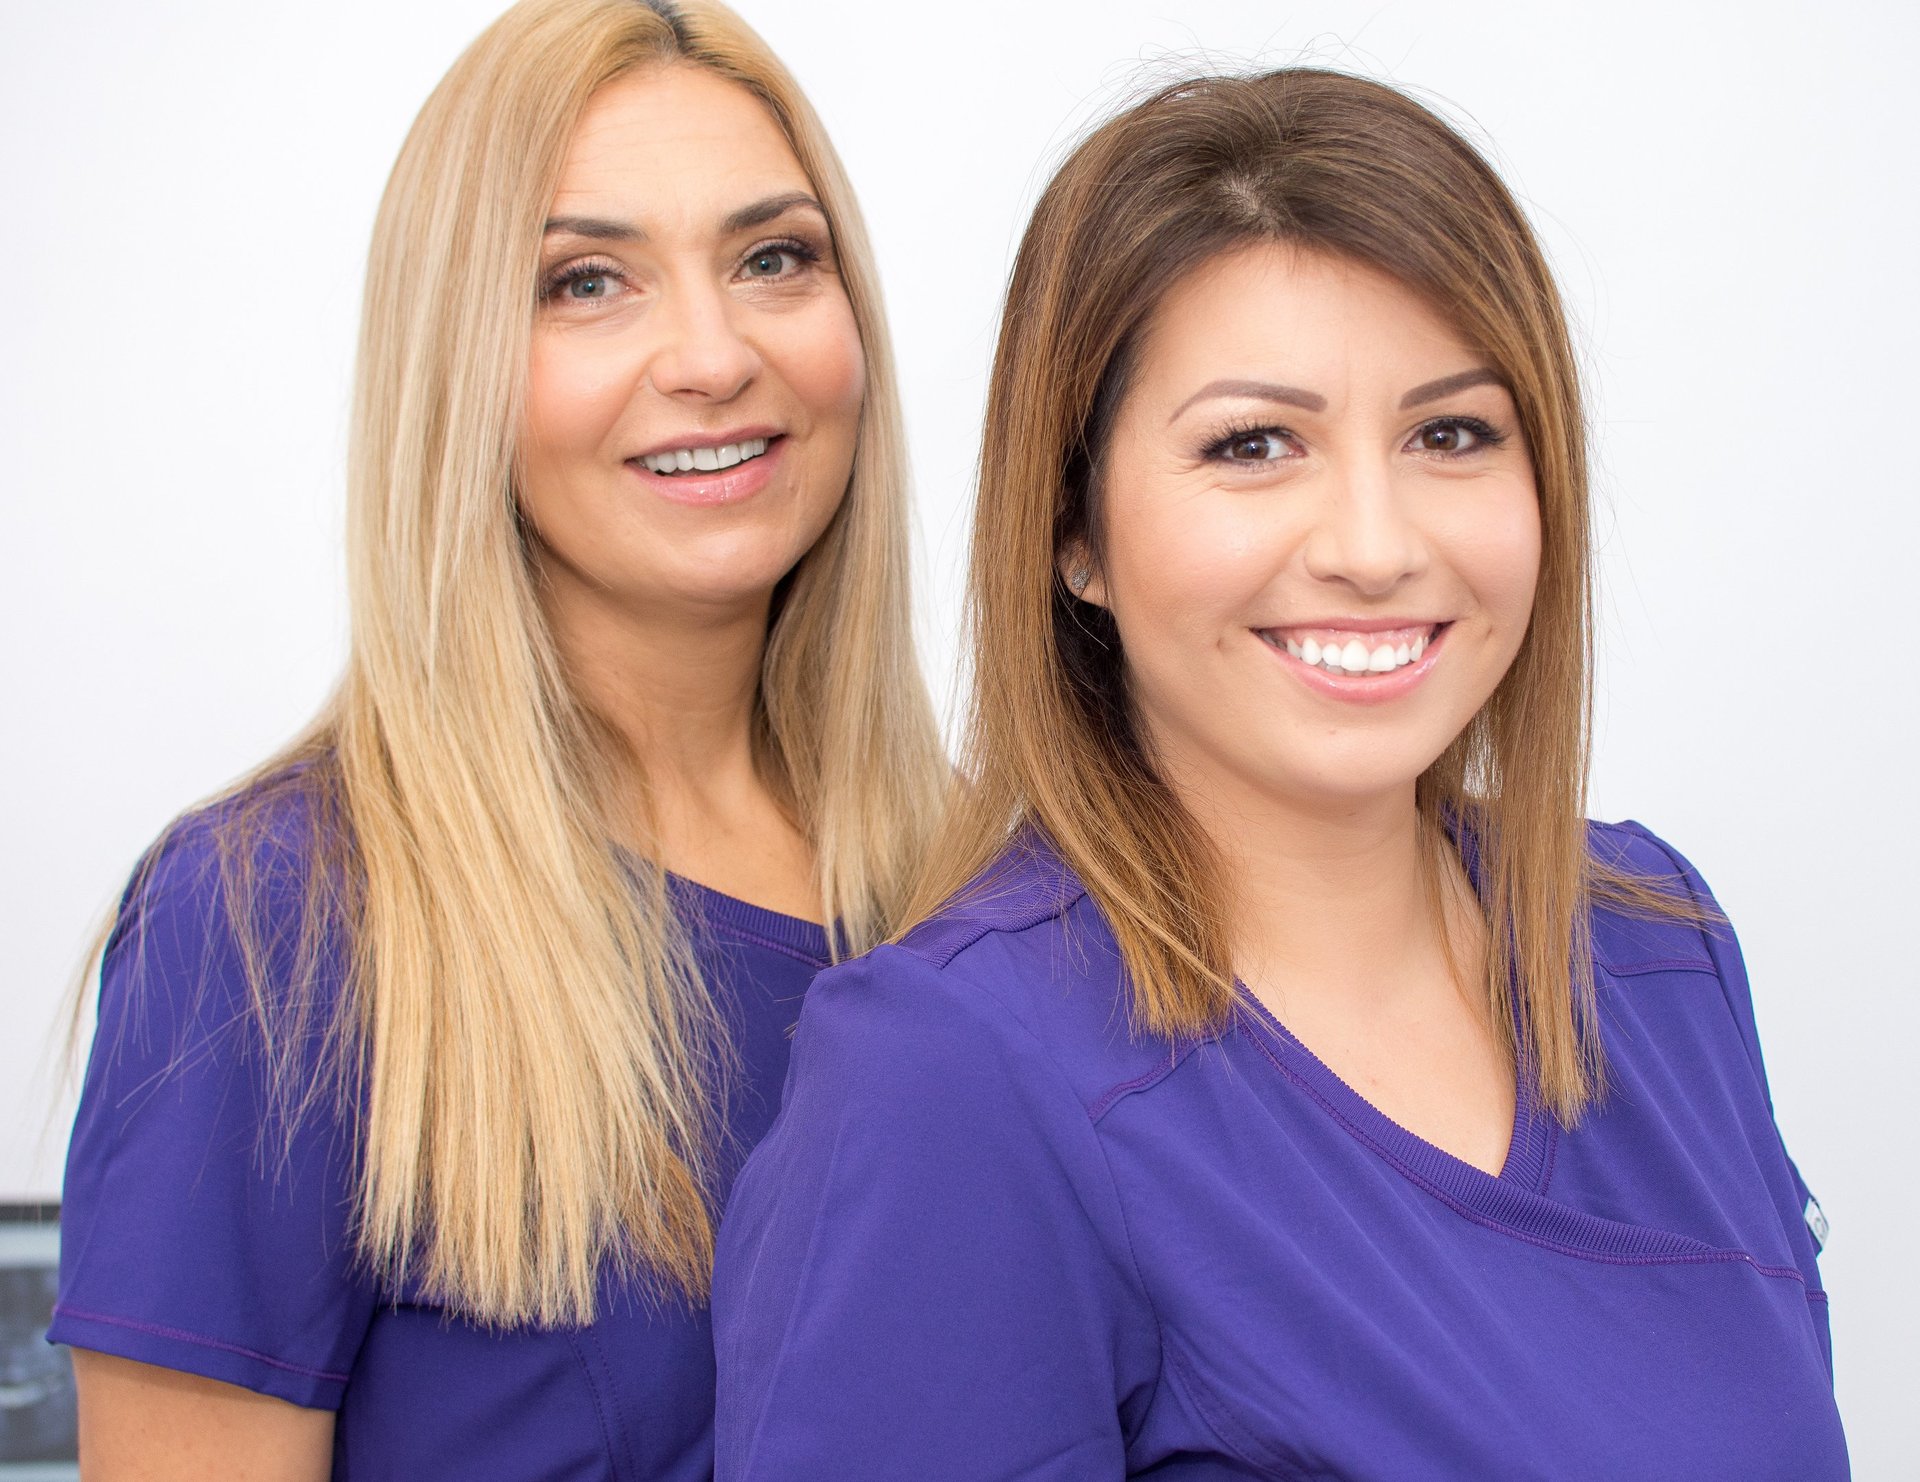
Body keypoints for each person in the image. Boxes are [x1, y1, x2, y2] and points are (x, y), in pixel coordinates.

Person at [711, 68, 1848, 1479]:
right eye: (1254, 444)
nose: (1373, 542)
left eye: (1453, 433)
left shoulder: (1657, 948)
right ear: (1075, 532)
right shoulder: (955, 1073)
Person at [51, 0, 943, 1475]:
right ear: (454, 360)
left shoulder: (979, 891)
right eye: (587, 281)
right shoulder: (273, 927)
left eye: (774, 257)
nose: (714, 355)